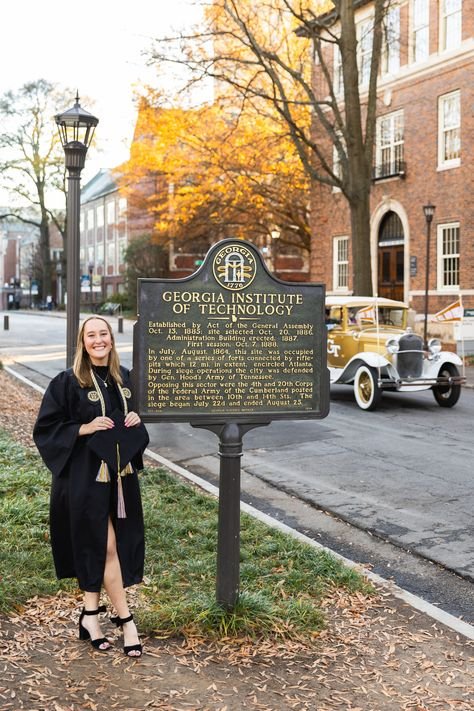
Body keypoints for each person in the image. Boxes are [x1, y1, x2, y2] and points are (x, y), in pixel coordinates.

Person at [33, 316, 149, 657]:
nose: (98, 340)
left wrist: (137, 419)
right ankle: (127, 621)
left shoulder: (125, 379)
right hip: (83, 478)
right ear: (83, 343)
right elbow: (45, 428)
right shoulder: (67, 382)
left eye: (104, 334)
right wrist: (84, 428)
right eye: (91, 335)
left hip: (120, 478)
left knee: (101, 546)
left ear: (112, 339)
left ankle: (90, 615)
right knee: (104, 545)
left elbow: (139, 423)